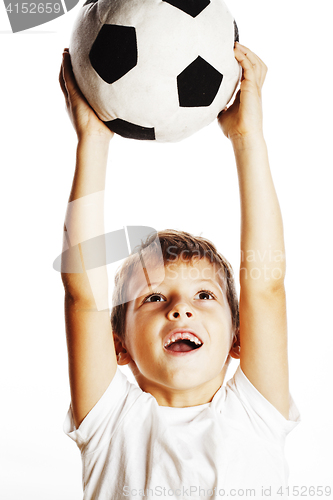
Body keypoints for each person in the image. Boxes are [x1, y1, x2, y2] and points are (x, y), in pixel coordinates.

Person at [59, 43, 299, 499]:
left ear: (239, 338)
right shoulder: (110, 420)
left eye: (204, 296)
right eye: (153, 297)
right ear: (118, 346)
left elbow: (265, 286)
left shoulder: (255, 412)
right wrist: (92, 140)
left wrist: (248, 139)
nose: (180, 311)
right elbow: (83, 296)